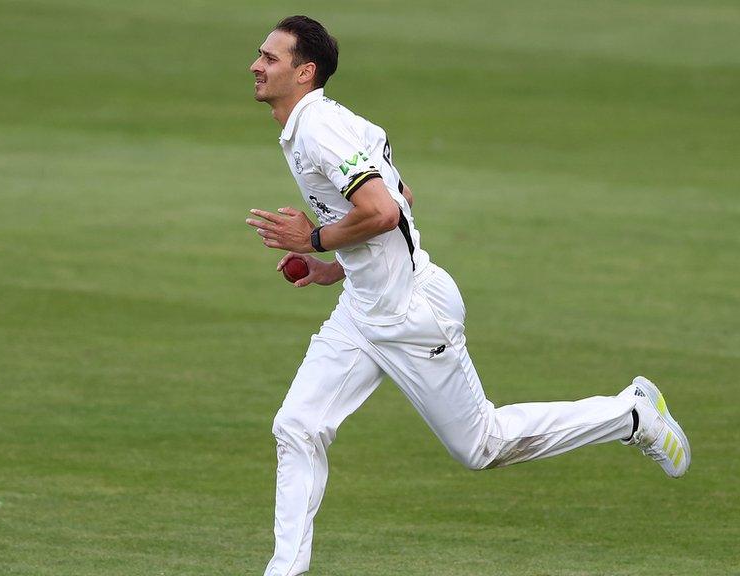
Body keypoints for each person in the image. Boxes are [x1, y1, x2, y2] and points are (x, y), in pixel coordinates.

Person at [245, 15, 691, 576]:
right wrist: (334, 267)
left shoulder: (318, 130)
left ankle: (630, 415)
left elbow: (382, 211)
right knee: (297, 426)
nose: (256, 66)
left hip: (411, 314)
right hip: (364, 308)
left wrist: (311, 237)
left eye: (271, 58)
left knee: (480, 446)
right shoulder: (323, 123)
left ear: (304, 72)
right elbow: (401, 197)